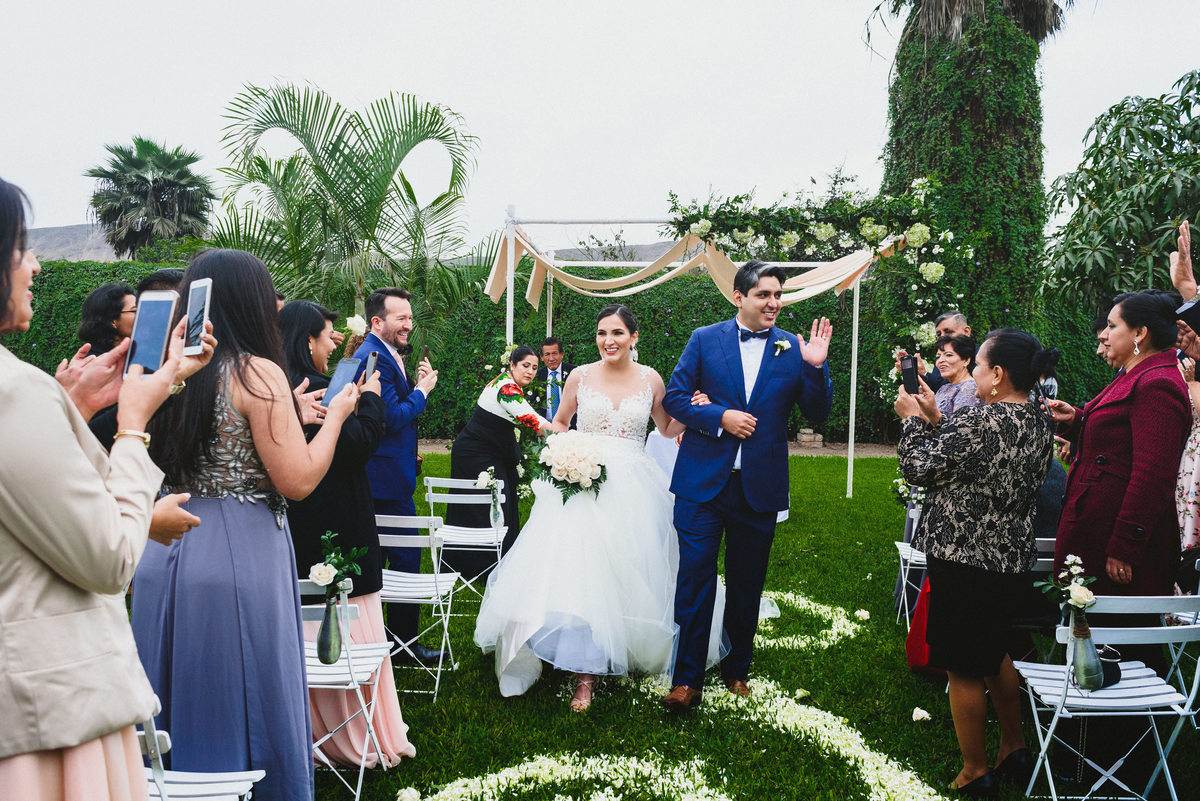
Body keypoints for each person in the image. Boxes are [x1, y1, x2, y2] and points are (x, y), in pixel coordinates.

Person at [133, 250, 360, 801]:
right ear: (256, 302)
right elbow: (297, 479)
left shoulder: (165, 369)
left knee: (170, 687)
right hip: (242, 551)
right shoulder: (259, 372)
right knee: (246, 684)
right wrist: (336, 419)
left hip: (162, 548)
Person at [0, 177, 180, 800]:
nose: (36, 264)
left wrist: (70, 403)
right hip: (47, 716)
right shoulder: (12, 390)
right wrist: (132, 425)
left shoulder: (28, 394)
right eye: (21, 248)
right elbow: (108, 558)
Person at [474, 304, 721, 712]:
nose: (609, 340)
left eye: (618, 333)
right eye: (603, 333)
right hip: (581, 483)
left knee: (629, 570)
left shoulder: (651, 379)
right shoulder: (580, 375)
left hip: (635, 485)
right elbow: (560, 422)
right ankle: (583, 673)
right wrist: (563, 455)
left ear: (633, 338)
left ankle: (622, 644)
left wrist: (695, 409)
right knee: (582, 572)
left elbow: (666, 427)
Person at [661, 260, 833, 710]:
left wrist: (815, 367)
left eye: (778, 295)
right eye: (764, 295)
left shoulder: (793, 348)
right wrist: (719, 416)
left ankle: (737, 669)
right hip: (701, 485)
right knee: (695, 578)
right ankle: (687, 679)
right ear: (739, 297)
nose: (774, 303)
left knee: (746, 583)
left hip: (759, 486)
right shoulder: (704, 339)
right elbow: (675, 398)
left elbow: (818, 414)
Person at [897, 329, 1056, 796]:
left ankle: (975, 769)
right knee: (995, 650)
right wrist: (933, 416)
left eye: (981, 366)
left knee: (962, 665)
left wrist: (910, 420)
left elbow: (920, 469)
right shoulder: (1038, 419)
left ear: (998, 373)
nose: (978, 374)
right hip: (1009, 555)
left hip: (963, 555)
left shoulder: (981, 422)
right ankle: (1015, 744)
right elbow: (968, 460)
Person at [279, 300, 415, 767]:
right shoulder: (316, 390)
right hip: (335, 520)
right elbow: (356, 447)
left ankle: (316, 727)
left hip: (300, 523)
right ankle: (352, 732)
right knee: (344, 621)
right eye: (327, 335)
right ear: (306, 341)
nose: (334, 342)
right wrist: (372, 397)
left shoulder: (280, 390)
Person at [1047, 290, 1190, 596]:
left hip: (1116, 542)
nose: (1105, 335)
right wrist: (1075, 419)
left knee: (1122, 636)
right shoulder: (1135, 375)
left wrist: (1126, 544)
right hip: (1097, 526)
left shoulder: (1157, 383)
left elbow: (1152, 475)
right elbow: (1117, 440)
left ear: (1140, 332)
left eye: (1113, 326)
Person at [352, 287, 442, 665]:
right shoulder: (373, 357)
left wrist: (412, 384)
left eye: (409, 316)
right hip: (383, 481)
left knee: (392, 557)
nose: (409, 324)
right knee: (404, 557)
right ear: (377, 322)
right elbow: (388, 418)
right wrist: (421, 392)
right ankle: (403, 646)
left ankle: (391, 641)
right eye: (401, 318)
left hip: (389, 474)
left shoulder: (388, 355)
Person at [448, 345, 550, 563]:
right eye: (525, 366)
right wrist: (571, 440)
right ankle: (482, 563)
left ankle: (497, 560)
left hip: (487, 451)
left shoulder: (507, 382)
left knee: (498, 501)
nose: (530, 372)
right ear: (512, 365)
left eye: (534, 367)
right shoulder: (507, 390)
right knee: (487, 506)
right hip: (474, 454)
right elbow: (535, 421)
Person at [77, 281, 136, 356]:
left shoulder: (135, 353)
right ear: (112, 321)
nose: (142, 315)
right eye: (135, 311)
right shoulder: (95, 363)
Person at [931, 334, 981, 417]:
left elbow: (959, 427)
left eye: (949, 355)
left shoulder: (971, 388)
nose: (940, 360)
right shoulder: (944, 388)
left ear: (966, 360)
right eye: (938, 357)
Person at [532, 336, 577, 422]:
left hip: (571, 429)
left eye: (554, 353)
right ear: (541, 357)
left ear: (562, 354)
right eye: (547, 354)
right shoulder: (536, 377)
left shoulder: (574, 372)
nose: (551, 358)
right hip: (546, 428)